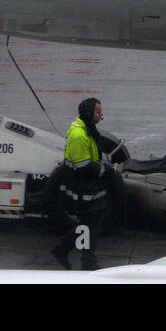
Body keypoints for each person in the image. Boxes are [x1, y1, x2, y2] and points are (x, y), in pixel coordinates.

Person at [50, 97, 110, 270]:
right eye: (98, 111)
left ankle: (65, 250)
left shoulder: (87, 130)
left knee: (89, 225)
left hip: (89, 187)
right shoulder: (79, 134)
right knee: (90, 225)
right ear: (88, 113)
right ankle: (86, 261)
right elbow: (84, 166)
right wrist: (106, 171)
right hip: (83, 188)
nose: (101, 115)